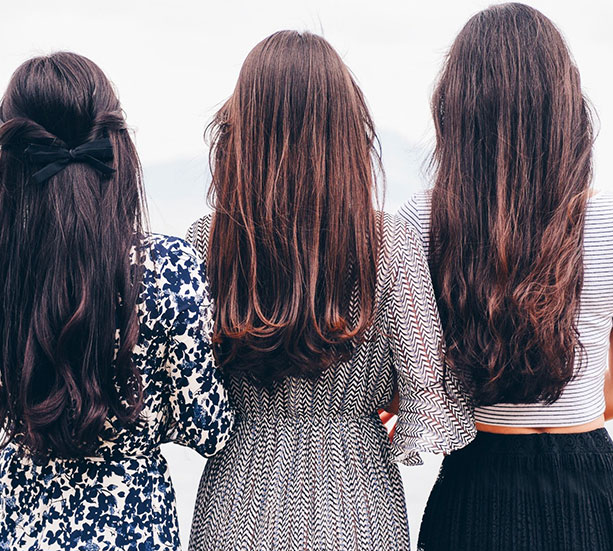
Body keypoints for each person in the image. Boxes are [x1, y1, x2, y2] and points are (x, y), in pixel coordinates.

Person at [184, 31, 475, 551]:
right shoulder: (388, 242)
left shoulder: (207, 242)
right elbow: (429, 400)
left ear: (242, 132)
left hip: (236, 501)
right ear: (346, 132)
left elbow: (190, 397)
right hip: (359, 502)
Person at [399, 4, 613, 550]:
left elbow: (417, 392)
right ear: (566, 106)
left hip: (476, 487)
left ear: (455, 108)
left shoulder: (420, 222)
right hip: (592, 491)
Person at [0, 52, 233, 551]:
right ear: (116, 149)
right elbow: (209, 426)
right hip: (131, 519)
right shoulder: (168, 267)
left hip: (13, 520)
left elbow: (13, 386)